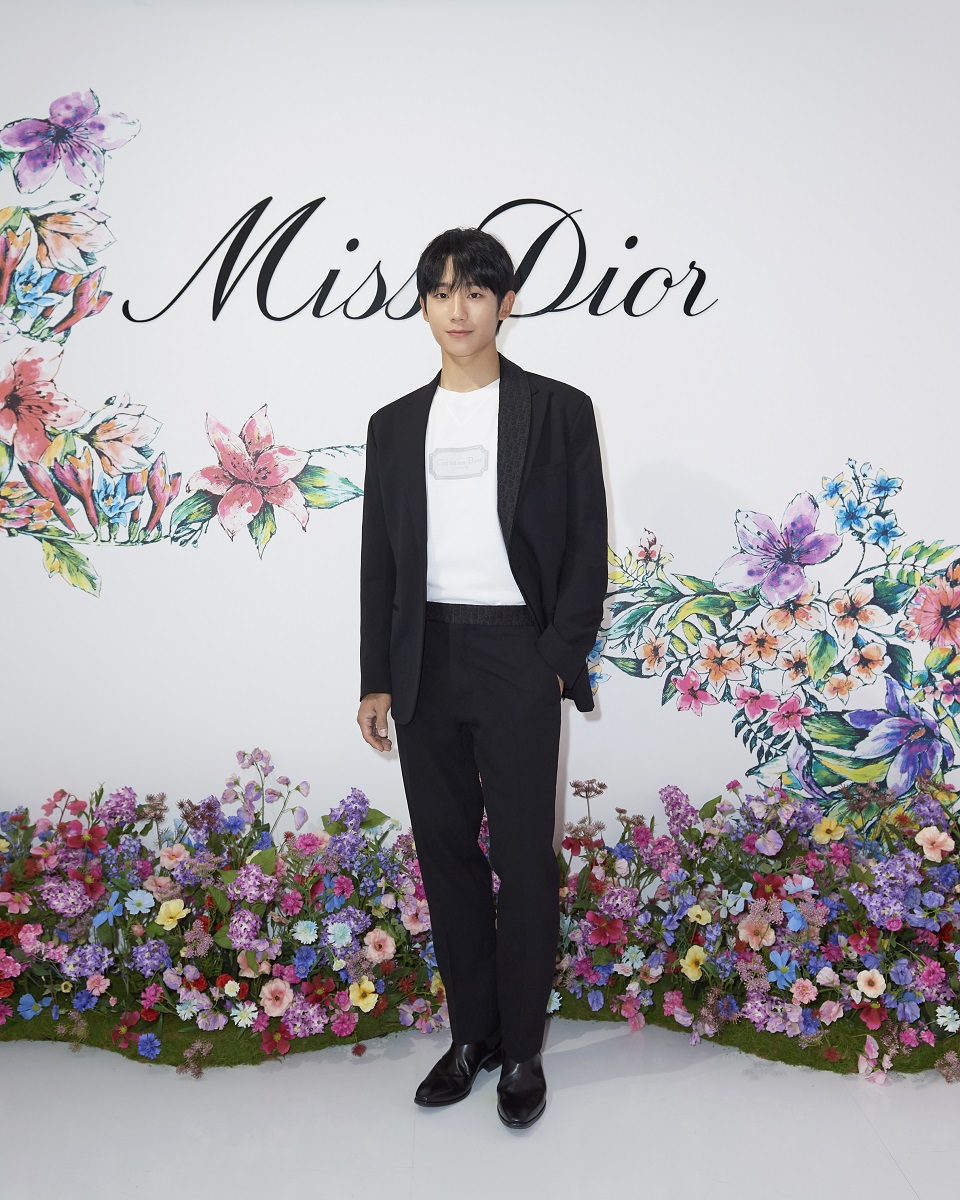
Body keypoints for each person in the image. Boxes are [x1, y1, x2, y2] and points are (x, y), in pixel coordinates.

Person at [357, 226, 607, 1128]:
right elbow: (380, 561)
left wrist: (555, 662)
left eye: (474, 291)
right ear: (424, 306)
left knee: (524, 862)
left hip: (516, 657)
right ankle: (472, 1037)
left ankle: (524, 1053)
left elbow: (587, 547)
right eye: (440, 293)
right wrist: (376, 676)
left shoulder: (559, 410)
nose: (456, 310)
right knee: (446, 855)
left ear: (506, 303)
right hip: (425, 658)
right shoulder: (393, 425)